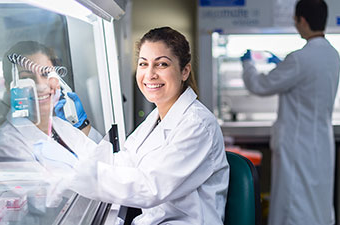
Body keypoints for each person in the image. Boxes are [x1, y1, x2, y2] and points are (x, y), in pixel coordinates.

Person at [48, 27, 229, 224]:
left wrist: (72, 173)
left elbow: (149, 188)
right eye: (143, 64)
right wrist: (73, 129)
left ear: (184, 71)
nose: (150, 74)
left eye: (161, 64)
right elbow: (120, 162)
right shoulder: (156, 119)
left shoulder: (197, 125)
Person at [240, 0, 340, 225]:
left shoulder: (299, 58)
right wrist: (282, 63)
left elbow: (260, 85)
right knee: (316, 202)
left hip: (296, 146)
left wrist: (248, 65)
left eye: (295, 20)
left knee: (293, 204)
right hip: (321, 143)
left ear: (301, 20)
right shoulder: (332, 55)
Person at [0, 41, 101, 163]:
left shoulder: (62, 126)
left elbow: (104, 160)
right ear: (9, 87)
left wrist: (82, 125)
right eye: (26, 78)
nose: (41, 86)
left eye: (46, 74)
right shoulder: (7, 144)